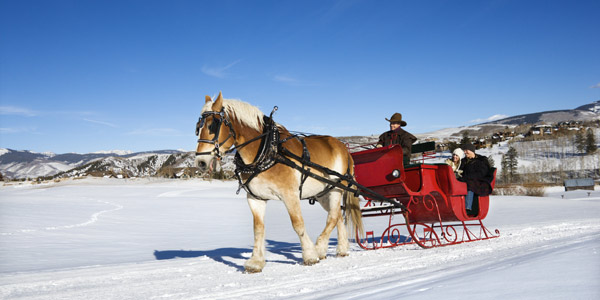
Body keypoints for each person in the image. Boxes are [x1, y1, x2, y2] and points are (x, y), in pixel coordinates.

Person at [458, 143, 493, 216]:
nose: (465, 152)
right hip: (466, 180)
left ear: (471, 150)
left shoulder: (481, 160)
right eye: (464, 151)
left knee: (470, 185)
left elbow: (481, 173)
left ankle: (467, 208)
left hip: (480, 181)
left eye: (466, 150)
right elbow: (460, 170)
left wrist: (466, 177)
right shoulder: (464, 161)